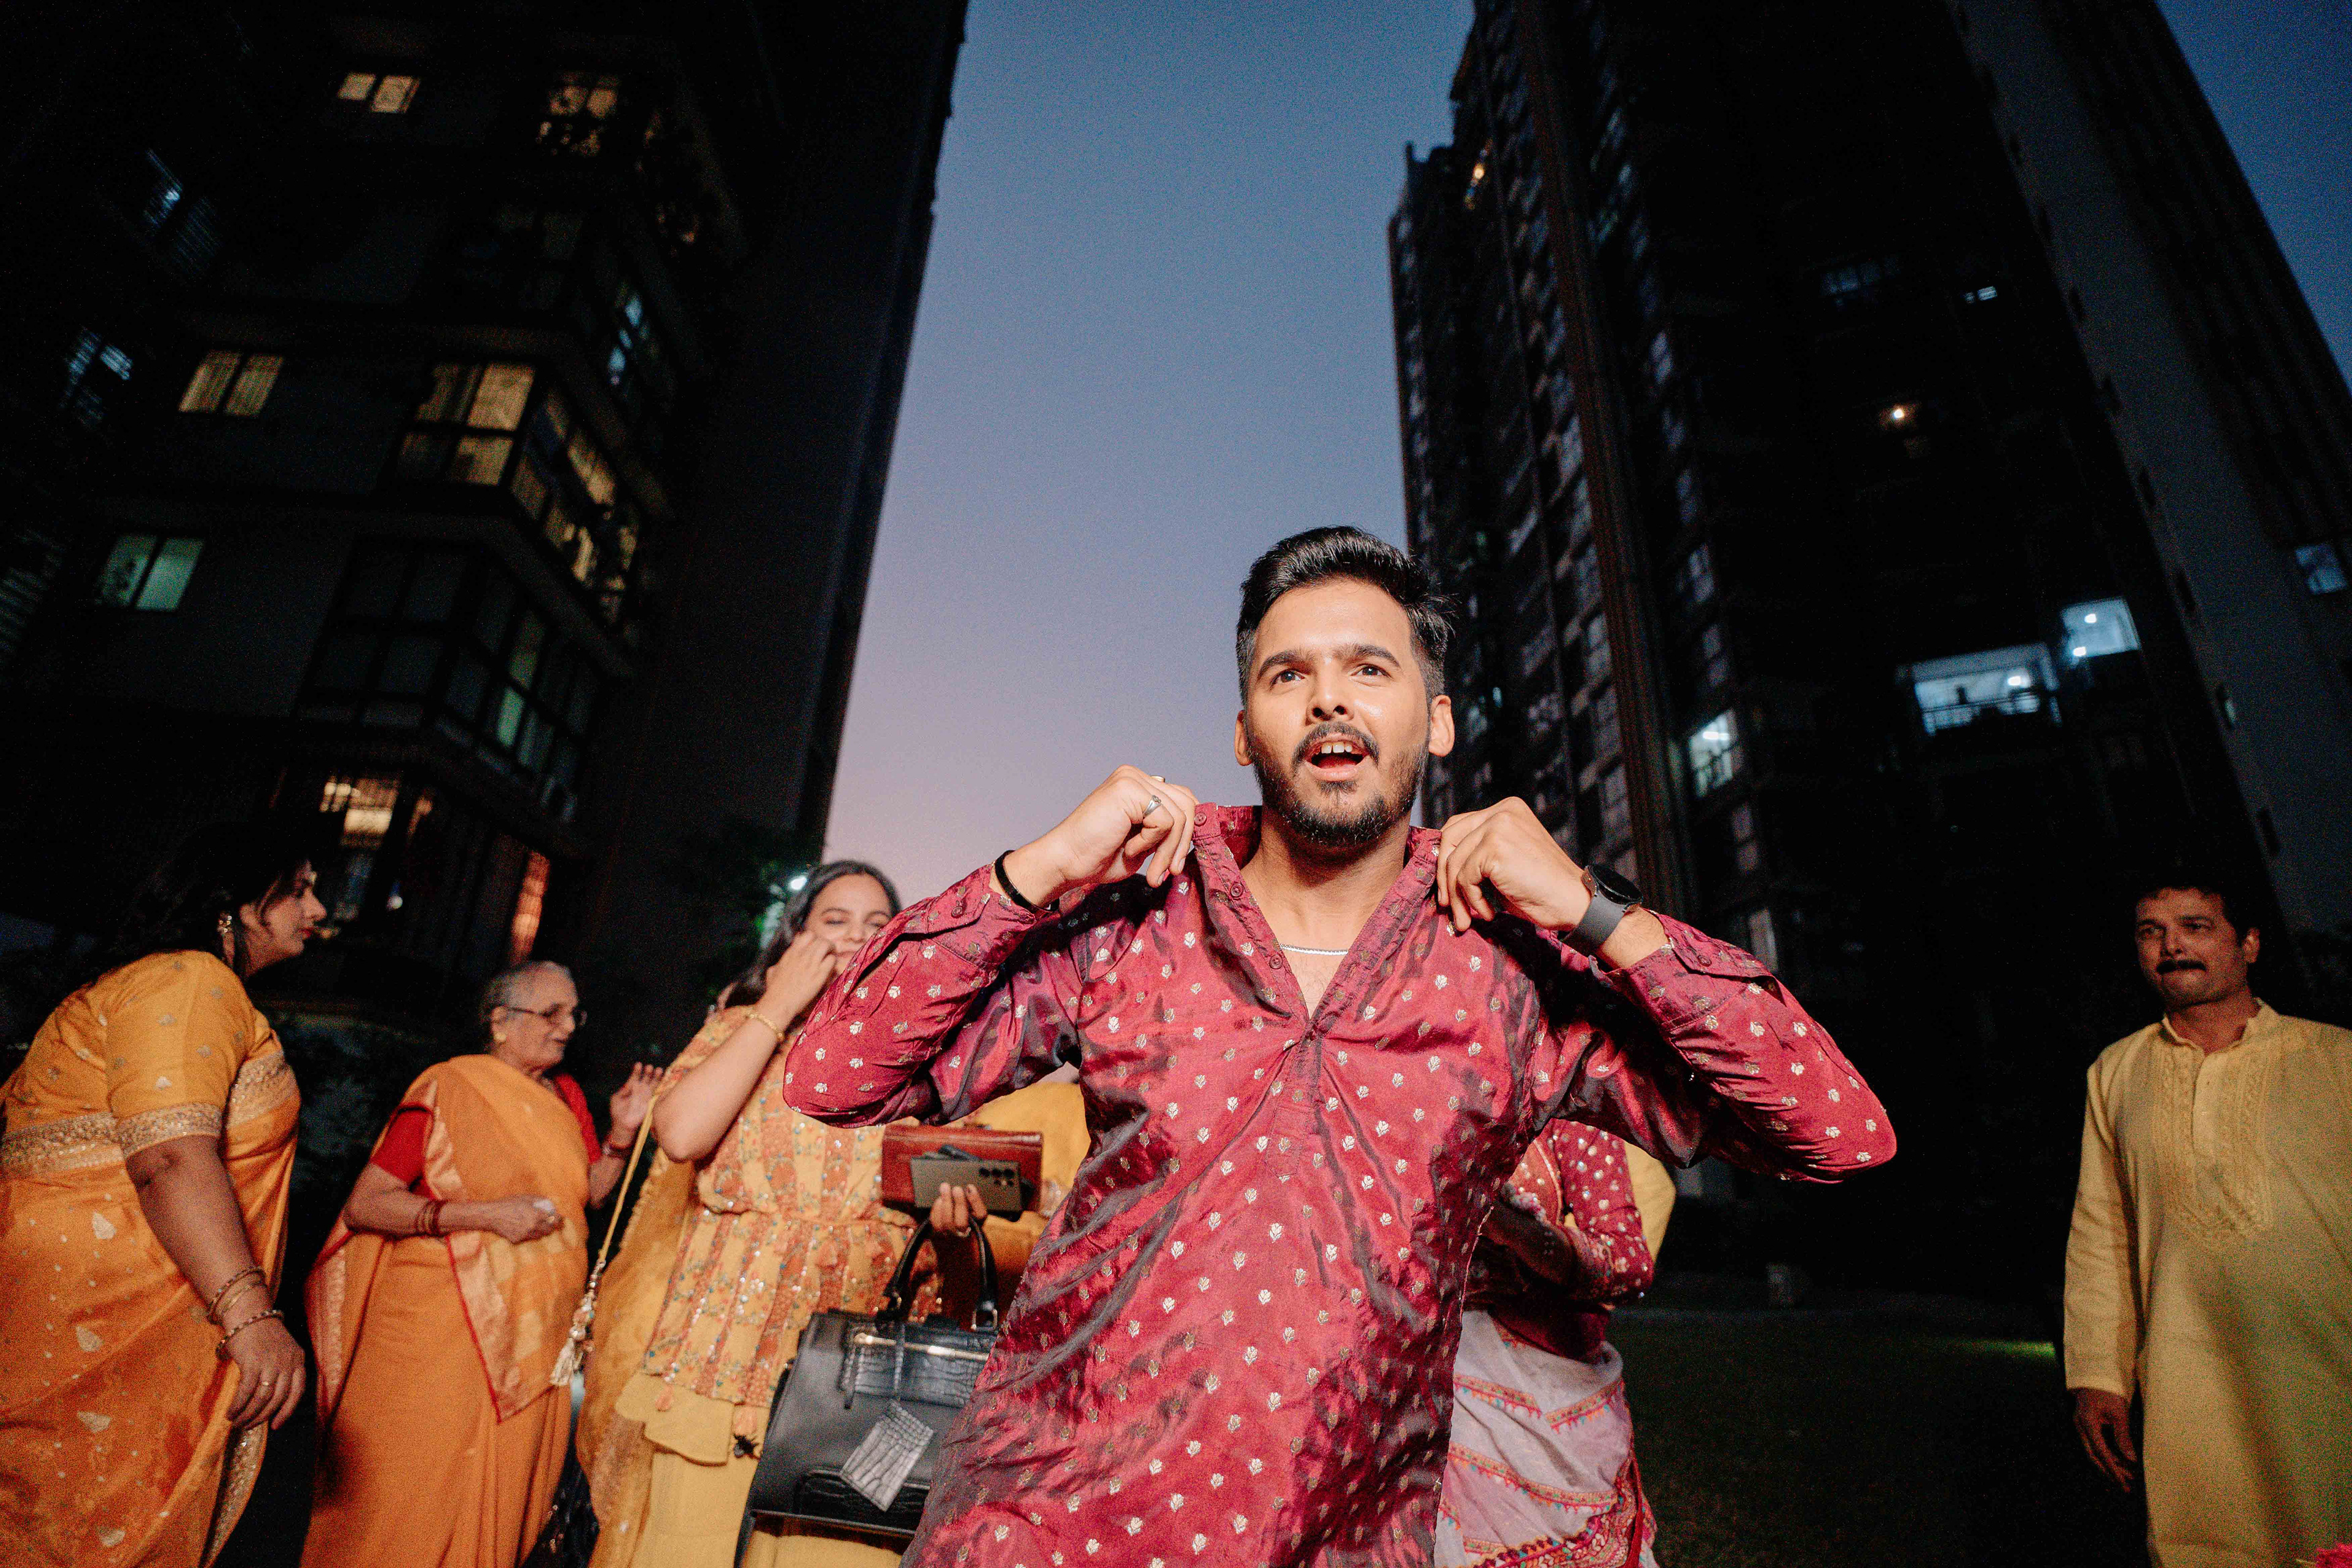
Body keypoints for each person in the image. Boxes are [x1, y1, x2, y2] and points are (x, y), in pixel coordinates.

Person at [782, 527, 1894, 1566]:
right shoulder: (1136, 916)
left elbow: (1836, 1133)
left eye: (1369, 667)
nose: (1328, 698)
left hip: (1336, 1538)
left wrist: (1594, 909)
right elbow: (835, 1075)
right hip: (1042, 1529)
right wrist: (1041, 867)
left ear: (1437, 720)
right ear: (1244, 732)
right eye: (1288, 674)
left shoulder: (1517, 972)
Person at [577, 862, 1088, 1568]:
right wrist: (777, 1006)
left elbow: (945, 1207)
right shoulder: (741, 1030)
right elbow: (683, 1134)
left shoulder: (932, 1054)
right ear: (796, 938)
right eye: (833, 921)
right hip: (719, 1371)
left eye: (877, 925)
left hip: (857, 1398)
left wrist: (951, 1228)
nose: (854, 938)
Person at [0, 823, 324, 1566]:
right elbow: (170, 1157)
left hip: (96, 1302)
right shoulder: (189, 979)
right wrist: (250, 1315)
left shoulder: (162, 983)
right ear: (239, 903)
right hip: (94, 1314)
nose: (319, 909)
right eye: (300, 889)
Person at [301, 960, 658, 1568]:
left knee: (502, 1507)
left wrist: (622, 1134)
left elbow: (588, 1194)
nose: (568, 1027)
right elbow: (368, 1204)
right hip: (437, 1328)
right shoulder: (452, 1085)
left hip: (535, 1334)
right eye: (552, 1013)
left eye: (573, 1013)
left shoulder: (566, 1095)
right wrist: (488, 1216)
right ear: (500, 1020)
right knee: (406, 1497)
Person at [2064, 867, 2352, 1566]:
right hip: (2187, 1369)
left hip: (2325, 1362)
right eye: (2151, 932)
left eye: (2195, 927)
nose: (2172, 947)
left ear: (2248, 943)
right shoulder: (2116, 1071)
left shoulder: (2336, 1058)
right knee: (2207, 1537)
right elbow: (2102, 1230)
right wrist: (2098, 1372)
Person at [1437, 1125, 1659, 1566]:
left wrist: (1518, 1234)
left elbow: (1630, 1262)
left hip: (1543, 1381)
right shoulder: (1407, 1100)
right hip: (1430, 1370)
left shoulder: (1564, 1111)